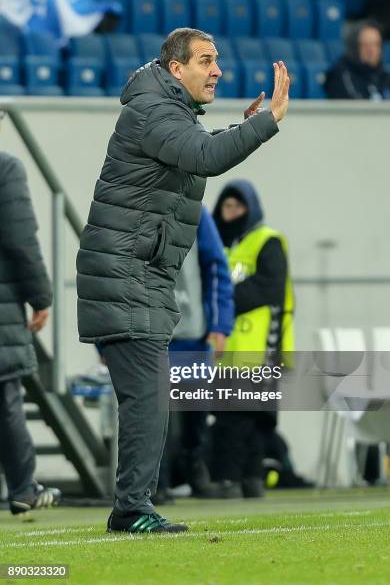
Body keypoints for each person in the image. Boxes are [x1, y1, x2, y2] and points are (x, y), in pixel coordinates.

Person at [76, 27, 290, 535]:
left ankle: (132, 505)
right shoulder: (152, 111)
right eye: (206, 60)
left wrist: (240, 130)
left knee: (149, 396)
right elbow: (206, 158)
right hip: (125, 274)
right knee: (149, 396)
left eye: (216, 60)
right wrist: (267, 122)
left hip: (138, 275)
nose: (218, 70)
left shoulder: (164, 112)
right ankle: (132, 508)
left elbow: (198, 151)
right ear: (177, 69)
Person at [210, 179, 294, 498]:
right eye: (226, 206)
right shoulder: (222, 244)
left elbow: (269, 287)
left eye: (237, 207)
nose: (230, 213)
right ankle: (238, 480)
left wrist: (225, 297)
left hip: (261, 346)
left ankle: (243, 479)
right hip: (229, 348)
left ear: (250, 209)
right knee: (232, 417)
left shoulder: (267, 241)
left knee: (253, 418)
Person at [153, 205, 234, 503]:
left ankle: (195, 472)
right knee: (153, 414)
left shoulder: (197, 214)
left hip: (191, 334)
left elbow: (216, 267)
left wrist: (220, 325)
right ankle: (154, 483)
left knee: (194, 417)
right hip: (150, 336)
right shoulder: (132, 207)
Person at [0, 150, 61, 516]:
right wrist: (40, 297)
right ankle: (23, 486)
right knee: (6, 398)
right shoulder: (5, 168)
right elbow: (21, 239)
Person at [325, 20, 390, 100]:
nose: (371, 50)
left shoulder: (385, 75)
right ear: (354, 47)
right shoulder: (341, 74)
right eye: (365, 45)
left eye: (376, 45)